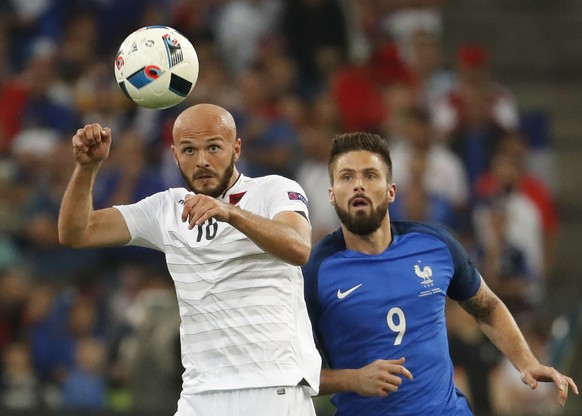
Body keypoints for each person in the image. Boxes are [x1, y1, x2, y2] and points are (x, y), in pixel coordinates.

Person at [57, 103, 321, 416]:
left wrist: (230, 213)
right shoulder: (166, 209)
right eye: (189, 150)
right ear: (174, 155)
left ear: (236, 149)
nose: (202, 161)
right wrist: (86, 169)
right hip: (200, 393)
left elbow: (299, 247)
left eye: (213, 147)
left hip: (272, 386)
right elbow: (77, 232)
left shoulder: (273, 190)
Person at [301, 131, 578, 415]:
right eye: (347, 177)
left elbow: (486, 307)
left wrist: (527, 362)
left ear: (391, 191)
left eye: (370, 175)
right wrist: (352, 379)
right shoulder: (314, 273)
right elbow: (292, 371)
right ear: (332, 195)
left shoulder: (435, 245)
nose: (358, 185)